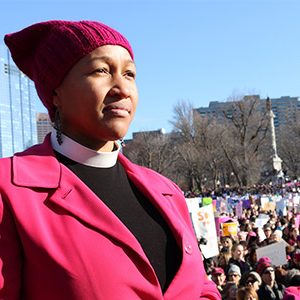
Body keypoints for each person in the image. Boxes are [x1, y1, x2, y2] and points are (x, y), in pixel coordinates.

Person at [0, 20, 221, 300]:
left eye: (129, 74)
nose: (122, 88)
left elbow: (201, 286)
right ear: (56, 92)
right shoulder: (9, 190)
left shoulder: (167, 191)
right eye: (102, 70)